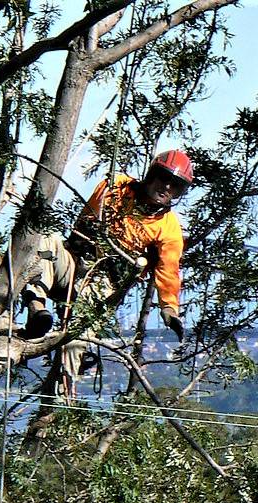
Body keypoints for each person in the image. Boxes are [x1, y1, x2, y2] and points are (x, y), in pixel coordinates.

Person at [21, 149, 193, 384]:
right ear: (152, 175)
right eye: (164, 179)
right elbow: (85, 220)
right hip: (73, 264)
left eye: (175, 185)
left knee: (75, 340)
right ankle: (36, 309)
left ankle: (56, 402)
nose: (166, 188)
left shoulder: (169, 228)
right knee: (46, 241)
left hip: (103, 285)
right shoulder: (118, 186)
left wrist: (169, 309)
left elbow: (168, 271)